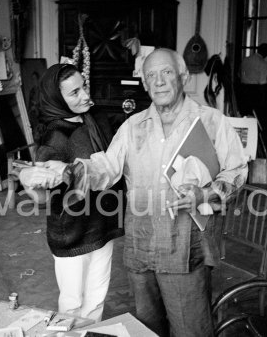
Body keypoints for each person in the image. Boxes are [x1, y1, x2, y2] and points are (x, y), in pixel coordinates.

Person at [20, 49, 248, 336]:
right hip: (142, 248)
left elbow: (237, 171)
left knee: (191, 328)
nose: (159, 81)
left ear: (184, 76)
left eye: (166, 72)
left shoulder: (213, 122)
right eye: (151, 75)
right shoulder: (132, 126)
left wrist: (205, 194)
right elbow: (104, 166)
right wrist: (65, 171)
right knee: (148, 328)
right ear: (144, 84)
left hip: (185, 250)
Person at [25, 64, 124, 323]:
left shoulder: (96, 119)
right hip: (72, 232)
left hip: (103, 222)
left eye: (84, 87)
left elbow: (113, 163)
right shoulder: (55, 138)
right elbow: (42, 198)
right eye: (74, 93)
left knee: (96, 299)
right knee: (72, 304)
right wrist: (31, 183)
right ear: (57, 99)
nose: (84, 96)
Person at [239, 43, 267, 120]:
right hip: (255, 91)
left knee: (245, 114)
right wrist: (263, 98)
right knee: (256, 115)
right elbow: (263, 83)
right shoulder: (262, 63)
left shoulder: (246, 59)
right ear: (265, 52)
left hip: (243, 89)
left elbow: (239, 74)